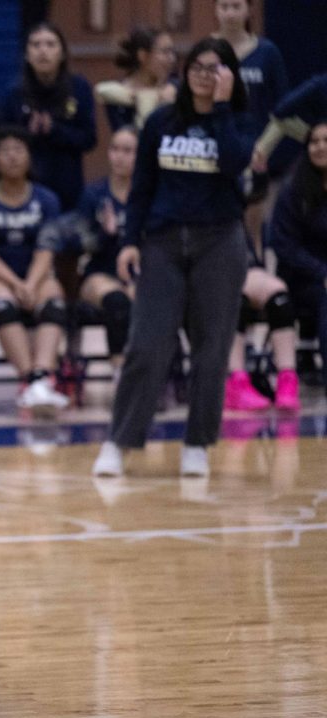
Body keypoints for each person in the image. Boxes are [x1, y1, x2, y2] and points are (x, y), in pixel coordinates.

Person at [93, 38, 251, 479]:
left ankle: (197, 442)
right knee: (147, 345)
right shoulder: (161, 121)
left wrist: (219, 109)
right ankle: (119, 441)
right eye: (197, 67)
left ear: (229, 75)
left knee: (211, 348)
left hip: (220, 241)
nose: (205, 75)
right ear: (186, 72)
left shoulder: (238, 120)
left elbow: (235, 165)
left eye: (216, 68)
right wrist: (128, 240)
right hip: (162, 241)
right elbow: (141, 185)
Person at [0, 127, 70, 412]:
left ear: (30, 157)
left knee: (55, 303)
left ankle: (43, 378)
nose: (12, 156)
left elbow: (46, 249)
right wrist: (17, 285)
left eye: (19, 149)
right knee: (3, 305)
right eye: (5, 150)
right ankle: (29, 379)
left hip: (36, 273)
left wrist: (31, 284)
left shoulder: (46, 199)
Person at [213, 0, 289, 252]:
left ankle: (258, 280)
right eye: (224, 6)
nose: (230, 13)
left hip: (255, 152)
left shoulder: (267, 52)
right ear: (216, 10)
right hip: (215, 149)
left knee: (251, 229)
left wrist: (265, 148)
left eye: (236, 6)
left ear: (249, 10)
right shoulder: (207, 50)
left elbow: (282, 107)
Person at [1, 22, 96, 211]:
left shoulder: (79, 88)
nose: (42, 51)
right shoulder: (14, 92)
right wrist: (29, 133)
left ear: (62, 54)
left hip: (67, 188)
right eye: (36, 45)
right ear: (27, 54)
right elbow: (3, 141)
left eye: (50, 44)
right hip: (25, 189)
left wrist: (54, 130)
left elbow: (89, 139)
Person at [74, 126, 138, 374]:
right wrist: (104, 233)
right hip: (101, 271)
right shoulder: (94, 194)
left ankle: (152, 373)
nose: (119, 157)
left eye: (128, 151)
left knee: (149, 303)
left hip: (141, 274)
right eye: (114, 149)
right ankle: (120, 373)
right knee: (117, 302)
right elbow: (81, 244)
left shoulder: (147, 195)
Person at [269, 121, 327, 393]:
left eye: (326, 140)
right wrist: (321, 272)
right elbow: (283, 245)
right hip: (302, 277)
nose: (320, 147)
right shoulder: (293, 189)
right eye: (314, 142)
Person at [223, 269, 299, 411]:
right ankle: (236, 380)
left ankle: (287, 377)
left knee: (279, 297)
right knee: (234, 295)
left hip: (239, 263)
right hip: (205, 269)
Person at [94, 27, 177, 131]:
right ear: (142, 55)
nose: (172, 59)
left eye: (172, 52)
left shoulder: (177, 89)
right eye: (165, 52)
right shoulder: (116, 95)